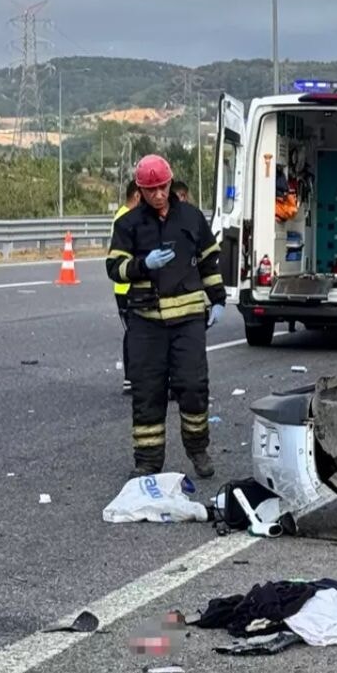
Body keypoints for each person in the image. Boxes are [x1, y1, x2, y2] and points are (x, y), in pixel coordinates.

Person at [106, 155, 226, 479]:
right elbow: (114, 267)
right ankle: (148, 461)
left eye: (162, 187)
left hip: (188, 321)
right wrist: (143, 264)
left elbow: (209, 262)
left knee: (192, 386)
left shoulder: (191, 217)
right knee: (148, 392)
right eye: (151, 190)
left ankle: (198, 449)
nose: (158, 195)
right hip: (146, 322)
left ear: (170, 183)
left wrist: (218, 299)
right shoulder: (128, 224)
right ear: (140, 191)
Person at [112, 181, 141, 394]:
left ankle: (134, 377)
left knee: (134, 332)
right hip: (126, 287)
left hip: (126, 286)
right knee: (133, 333)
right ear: (138, 196)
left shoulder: (124, 214)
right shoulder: (125, 218)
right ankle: (130, 379)